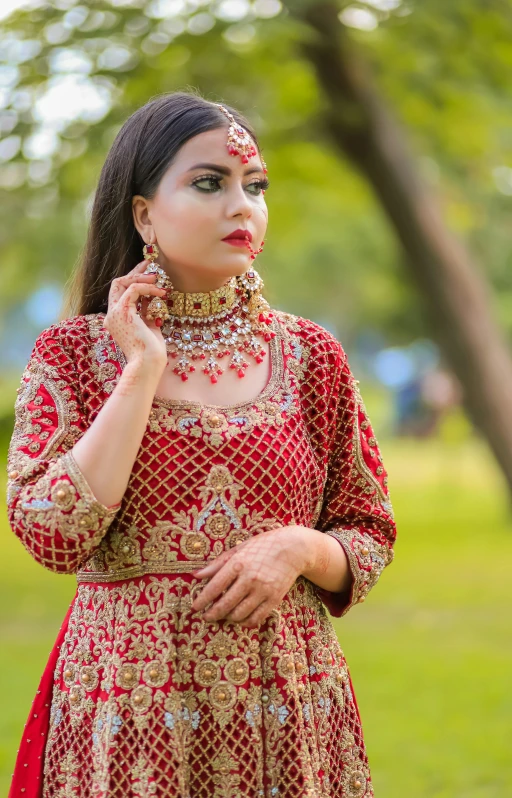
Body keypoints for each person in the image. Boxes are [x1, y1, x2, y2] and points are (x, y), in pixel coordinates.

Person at [6, 91, 396, 798]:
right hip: (127, 714)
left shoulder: (312, 357)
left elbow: (369, 533)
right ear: (143, 214)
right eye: (209, 183)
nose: (241, 205)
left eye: (256, 186)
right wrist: (141, 369)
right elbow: (53, 536)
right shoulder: (72, 356)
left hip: (286, 708)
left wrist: (300, 548)